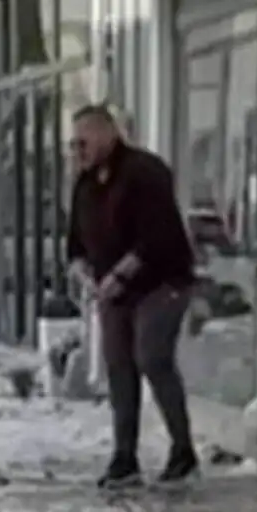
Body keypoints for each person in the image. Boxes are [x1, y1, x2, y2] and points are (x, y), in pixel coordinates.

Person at [65, 104, 199, 487]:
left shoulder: (145, 172)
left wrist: (121, 273)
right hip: (112, 291)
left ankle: (183, 451)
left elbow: (157, 237)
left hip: (161, 282)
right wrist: (82, 270)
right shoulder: (85, 184)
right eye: (73, 145)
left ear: (107, 134)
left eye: (83, 141)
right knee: (118, 368)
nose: (78, 151)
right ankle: (124, 458)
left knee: (152, 357)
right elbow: (74, 241)